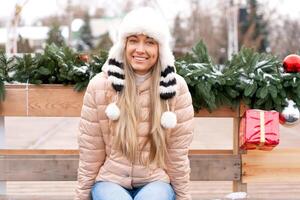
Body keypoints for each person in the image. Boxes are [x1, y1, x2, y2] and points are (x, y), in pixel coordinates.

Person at [75, 7, 194, 200]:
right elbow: (91, 150)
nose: (140, 49)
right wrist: (81, 196)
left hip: (155, 181)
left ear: (160, 49)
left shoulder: (175, 88)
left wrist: (183, 196)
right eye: (133, 41)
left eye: (149, 42)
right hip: (110, 180)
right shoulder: (100, 85)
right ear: (123, 45)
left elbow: (177, 153)